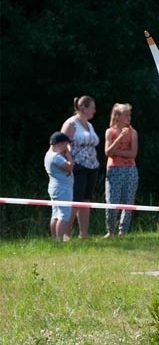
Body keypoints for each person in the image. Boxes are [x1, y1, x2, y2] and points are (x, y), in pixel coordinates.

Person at [61, 95, 100, 238]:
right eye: (92, 108)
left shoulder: (89, 125)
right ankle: (65, 233)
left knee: (86, 200)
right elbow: (61, 144)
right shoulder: (71, 123)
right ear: (83, 108)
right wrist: (69, 163)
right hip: (78, 166)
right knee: (76, 200)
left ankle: (84, 233)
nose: (94, 111)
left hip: (92, 166)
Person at [103, 103, 139, 237]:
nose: (129, 118)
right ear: (117, 116)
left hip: (130, 169)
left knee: (128, 201)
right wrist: (119, 138)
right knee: (111, 200)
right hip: (114, 169)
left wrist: (116, 152)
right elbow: (108, 152)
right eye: (126, 115)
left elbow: (133, 153)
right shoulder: (110, 131)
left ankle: (122, 231)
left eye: (130, 115)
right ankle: (110, 231)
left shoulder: (133, 132)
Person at [44, 131, 74, 241]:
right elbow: (69, 167)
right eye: (66, 145)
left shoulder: (48, 155)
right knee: (63, 215)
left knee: (56, 214)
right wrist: (68, 155)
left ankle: (55, 239)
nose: (66, 148)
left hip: (55, 187)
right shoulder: (56, 157)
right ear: (59, 144)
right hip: (62, 189)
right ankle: (59, 240)